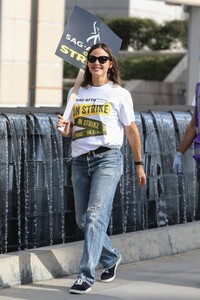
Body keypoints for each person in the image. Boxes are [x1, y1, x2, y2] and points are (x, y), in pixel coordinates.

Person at [57, 42, 146, 294]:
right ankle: (111, 257)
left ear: (110, 64)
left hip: (107, 159)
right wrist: (64, 128)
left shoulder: (119, 94)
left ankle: (85, 275)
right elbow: (71, 131)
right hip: (80, 161)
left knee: (95, 216)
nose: (97, 62)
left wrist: (139, 164)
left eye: (103, 59)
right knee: (83, 220)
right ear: (87, 62)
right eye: (92, 58)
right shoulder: (76, 93)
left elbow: (131, 130)